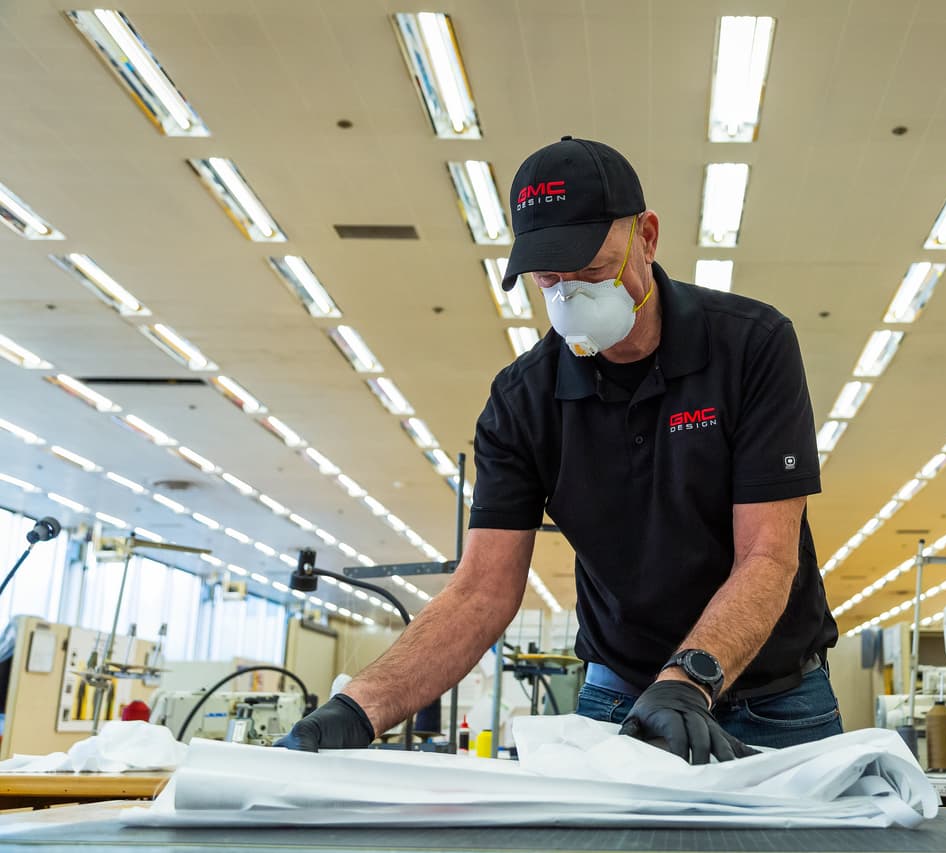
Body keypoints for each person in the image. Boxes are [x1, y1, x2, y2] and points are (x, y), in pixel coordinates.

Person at [278, 137, 840, 764]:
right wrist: (355, 709)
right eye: (551, 278)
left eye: (592, 270)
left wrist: (689, 681)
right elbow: (481, 592)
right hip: (620, 697)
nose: (571, 293)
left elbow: (766, 556)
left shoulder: (751, 347)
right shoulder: (522, 401)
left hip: (777, 699)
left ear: (646, 238)